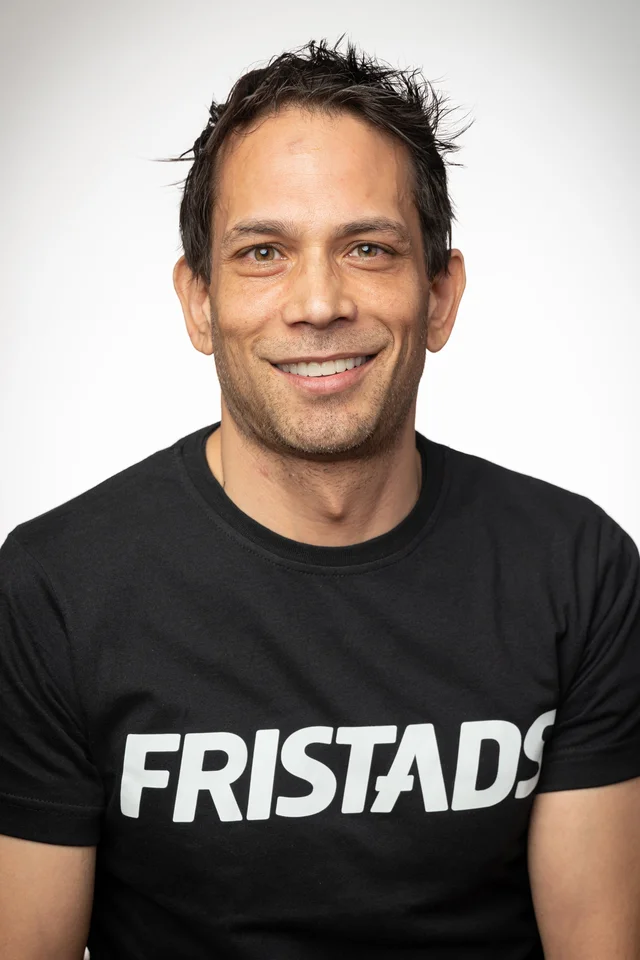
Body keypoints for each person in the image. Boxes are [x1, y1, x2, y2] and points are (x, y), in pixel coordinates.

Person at [0, 35, 639, 960]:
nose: (317, 303)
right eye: (263, 252)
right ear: (199, 302)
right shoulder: (54, 590)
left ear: (440, 295)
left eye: (368, 248)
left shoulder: (577, 571)